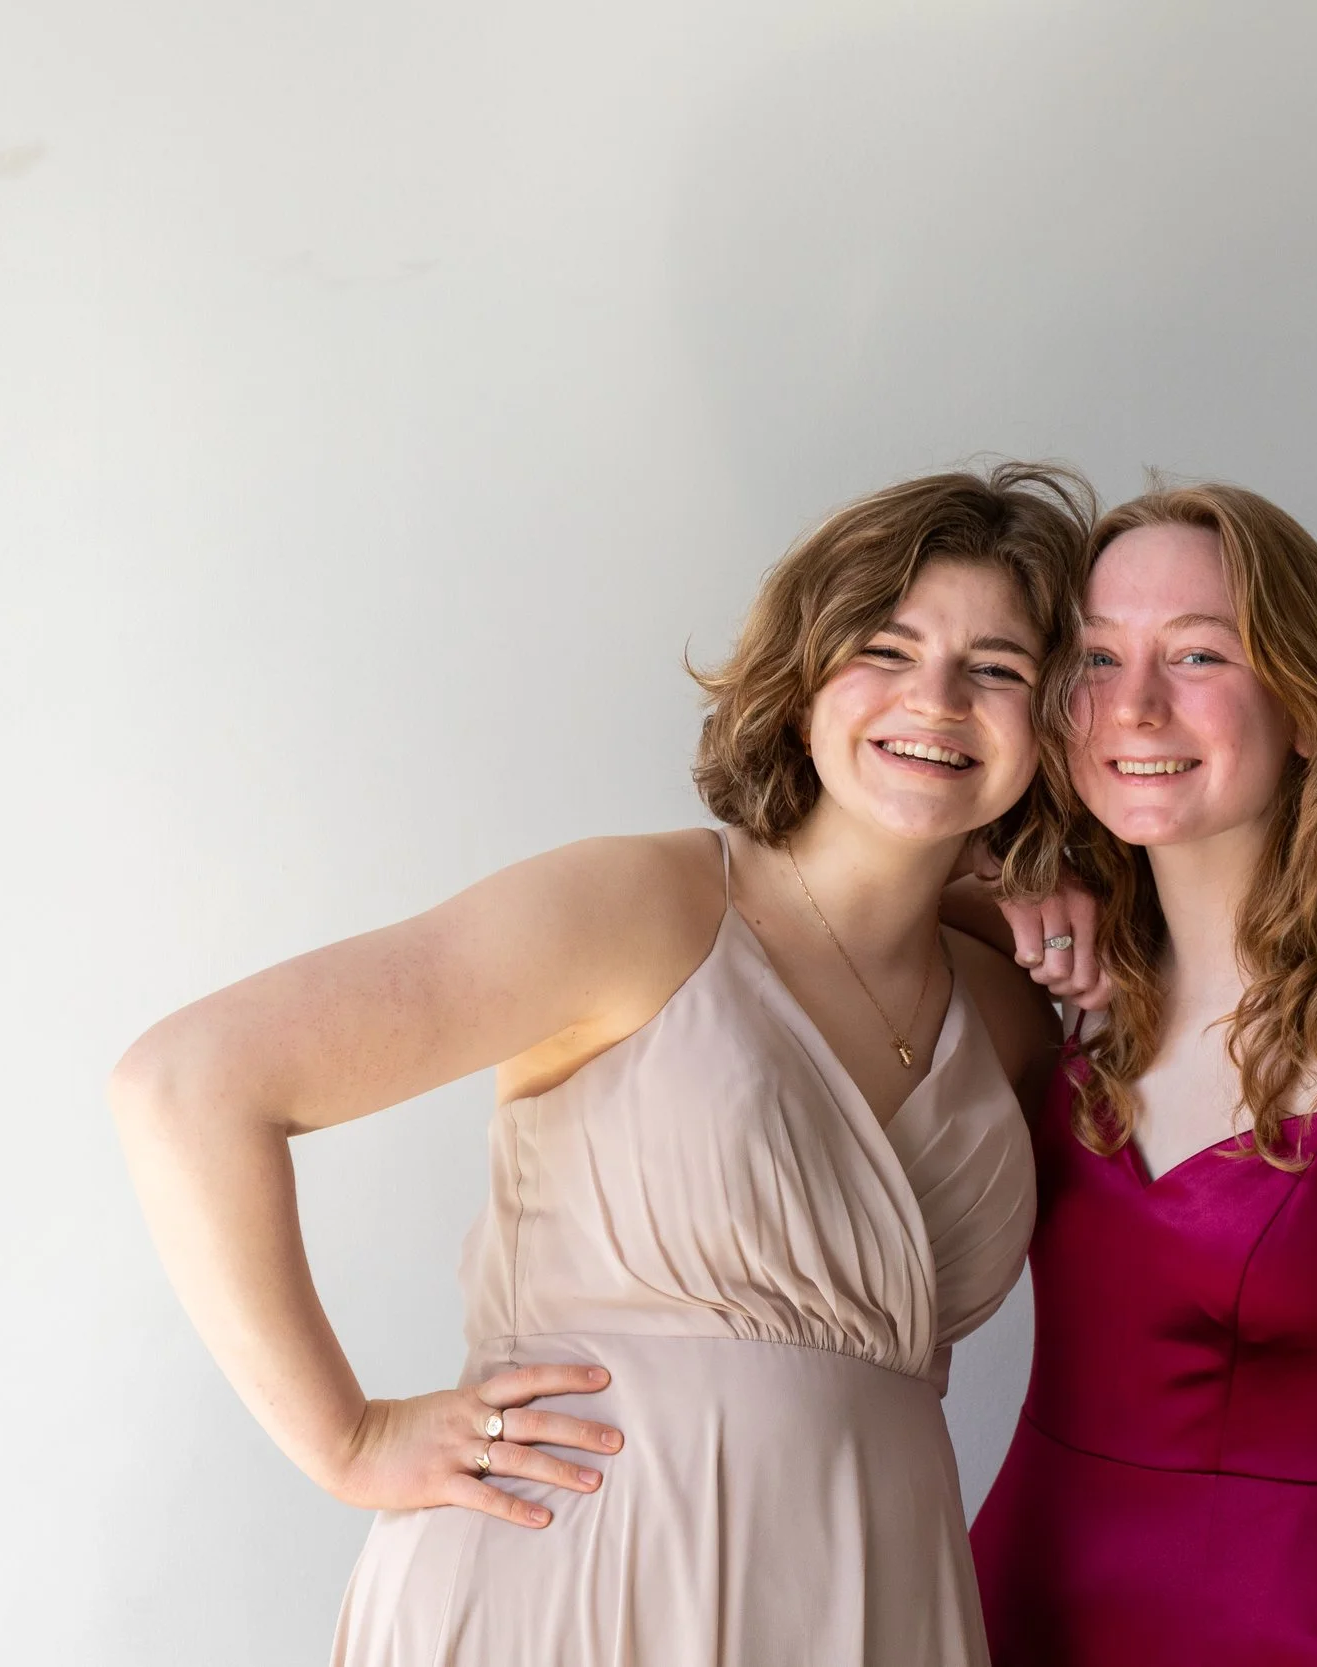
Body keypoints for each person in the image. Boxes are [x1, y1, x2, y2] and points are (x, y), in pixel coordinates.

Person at [107, 464, 1094, 1666]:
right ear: (800, 684)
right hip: (575, 1578)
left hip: (874, 1594)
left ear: (1050, 724)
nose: (936, 697)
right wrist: (348, 1439)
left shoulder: (1012, 1013)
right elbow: (190, 1082)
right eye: (885, 648)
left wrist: (1029, 895)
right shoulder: (639, 905)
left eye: (997, 667)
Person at [965, 483, 1317, 1666]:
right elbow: (807, 903)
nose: (1133, 703)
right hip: (1011, 1612)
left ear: (1310, 709)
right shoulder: (1061, 999)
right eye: (1094, 657)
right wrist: (995, 887)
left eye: (1199, 654)